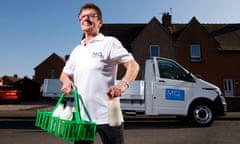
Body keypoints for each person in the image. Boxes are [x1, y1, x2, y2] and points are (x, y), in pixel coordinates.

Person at [60, 3, 140, 144]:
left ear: (100, 22)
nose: (86, 18)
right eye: (83, 16)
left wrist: (122, 85)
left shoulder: (109, 43)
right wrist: (66, 81)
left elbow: (133, 65)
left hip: (108, 116)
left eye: (91, 15)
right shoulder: (77, 50)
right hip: (82, 118)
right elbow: (64, 74)